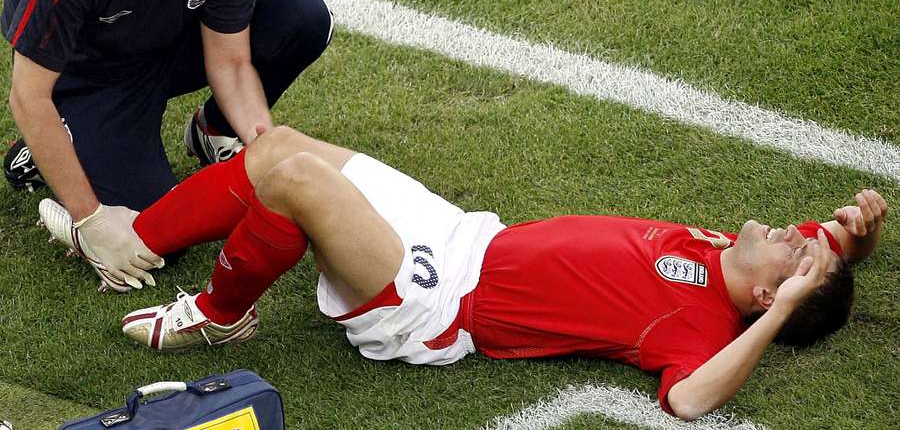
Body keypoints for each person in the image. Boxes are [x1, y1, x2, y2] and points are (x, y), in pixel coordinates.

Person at [39, 127, 887, 420]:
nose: (793, 229)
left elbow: (693, 400)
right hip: (456, 233)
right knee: (278, 148)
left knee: (293, 185)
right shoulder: (724, 252)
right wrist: (850, 243)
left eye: (799, 251)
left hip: (436, 304)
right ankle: (123, 242)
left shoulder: (700, 330)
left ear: (777, 296)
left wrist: (788, 310)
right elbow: (817, 245)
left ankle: (221, 313)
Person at [3, 0, 333, 288]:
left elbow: (232, 62)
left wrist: (271, 157)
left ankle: (212, 132)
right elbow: (27, 95)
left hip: (169, 42)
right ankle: (51, 145)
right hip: (90, 78)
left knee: (302, 17)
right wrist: (91, 219)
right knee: (162, 238)